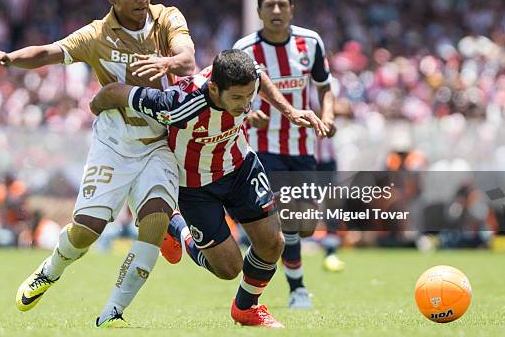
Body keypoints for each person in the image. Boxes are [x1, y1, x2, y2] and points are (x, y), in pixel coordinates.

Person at [0, 0, 196, 327]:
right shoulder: (96, 35)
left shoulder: (167, 17)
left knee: (155, 220)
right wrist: (10, 58)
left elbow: (187, 58)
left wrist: (165, 64)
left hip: (159, 143)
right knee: (86, 231)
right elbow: (50, 51)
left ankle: (112, 314)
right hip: (113, 144)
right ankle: (48, 272)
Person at [90, 49, 328, 328]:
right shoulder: (176, 103)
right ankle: (177, 227)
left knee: (273, 242)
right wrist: (95, 107)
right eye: (236, 98)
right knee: (228, 269)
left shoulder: (244, 80)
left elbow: (258, 74)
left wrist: (289, 111)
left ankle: (246, 308)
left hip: (240, 167)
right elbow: (116, 92)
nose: (244, 104)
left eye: (248, 96)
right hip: (195, 187)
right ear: (214, 88)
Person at [232, 0, 343, 309]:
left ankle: (272, 263)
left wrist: (329, 116)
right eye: (270, 5)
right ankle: (297, 290)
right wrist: (249, 114)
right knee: (287, 216)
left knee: (305, 225)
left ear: (292, 8)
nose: (276, 10)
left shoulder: (311, 43)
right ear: (259, 11)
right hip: (262, 149)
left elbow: (324, 87)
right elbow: (231, 98)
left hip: (302, 147)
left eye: (282, 4)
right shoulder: (245, 49)